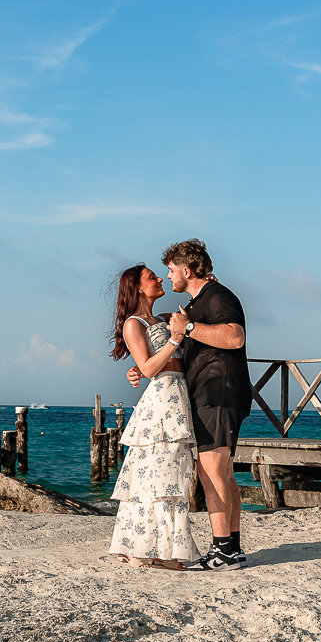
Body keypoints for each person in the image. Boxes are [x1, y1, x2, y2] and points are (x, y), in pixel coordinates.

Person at [129, 239, 252, 571]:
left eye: (170, 270)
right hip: (211, 394)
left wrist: (191, 327)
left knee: (212, 471)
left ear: (186, 270)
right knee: (221, 471)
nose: (168, 277)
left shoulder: (217, 296)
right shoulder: (198, 301)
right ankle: (233, 548)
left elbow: (234, 337)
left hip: (218, 393)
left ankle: (222, 551)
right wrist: (141, 366)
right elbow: (168, 347)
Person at [106, 264, 201, 569]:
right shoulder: (133, 324)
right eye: (152, 277)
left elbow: (152, 365)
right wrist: (173, 339)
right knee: (153, 478)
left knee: (173, 478)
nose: (160, 279)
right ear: (136, 287)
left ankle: (168, 550)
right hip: (160, 402)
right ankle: (144, 549)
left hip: (179, 395)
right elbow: (148, 368)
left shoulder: (161, 319)